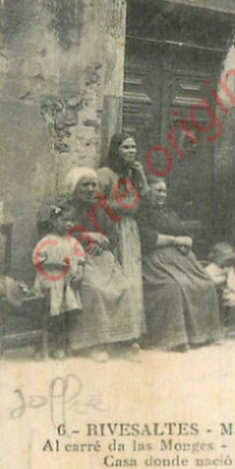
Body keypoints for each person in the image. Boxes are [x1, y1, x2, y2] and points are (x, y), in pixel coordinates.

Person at [138, 178, 222, 351]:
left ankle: (202, 335)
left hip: (180, 262)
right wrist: (175, 240)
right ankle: (175, 339)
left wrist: (187, 241)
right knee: (174, 287)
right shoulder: (142, 213)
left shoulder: (169, 212)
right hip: (155, 262)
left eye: (164, 191)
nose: (162, 195)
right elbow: (146, 238)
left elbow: (184, 232)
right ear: (147, 192)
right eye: (158, 190)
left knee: (205, 283)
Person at [63, 168, 134, 362]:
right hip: (78, 259)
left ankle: (119, 340)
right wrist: (87, 237)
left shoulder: (100, 208)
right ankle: (93, 344)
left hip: (102, 258)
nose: (90, 189)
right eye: (85, 185)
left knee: (124, 286)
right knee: (95, 289)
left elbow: (113, 236)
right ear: (74, 187)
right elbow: (61, 234)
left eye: (93, 184)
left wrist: (103, 243)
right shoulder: (67, 208)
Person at [97, 132, 147, 353]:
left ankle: (131, 334)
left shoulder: (133, 173)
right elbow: (96, 205)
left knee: (132, 279)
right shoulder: (105, 174)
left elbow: (145, 200)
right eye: (126, 147)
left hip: (130, 231)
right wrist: (121, 208)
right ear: (116, 150)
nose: (131, 151)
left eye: (134, 147)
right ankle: (112, 335)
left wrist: (141, 175)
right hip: (112, 229)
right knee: (115, 281)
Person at [32, 201, 85, 359]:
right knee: (51, 314)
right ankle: (43, 347)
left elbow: (81, 261)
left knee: (65, 316)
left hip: (68, 284)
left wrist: (80, 274)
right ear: (55, 222)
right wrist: (55, 264)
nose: (69, 224)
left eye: (71, 220)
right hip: (51, 281)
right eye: (64, 220)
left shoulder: (73, 242)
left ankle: (63, 345)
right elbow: (37, 259)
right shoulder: (47, 241)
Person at [204, 242, 235, 334]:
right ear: (216, 258)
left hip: (229, 292)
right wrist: (224, 278)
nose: (227, 263)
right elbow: (210, 282)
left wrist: (234, 282)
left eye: (229, 260)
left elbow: (234, 281)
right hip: (218, 295)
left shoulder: (228, 269)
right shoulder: (210, 269)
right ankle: (232, 325)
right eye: (225, 260)